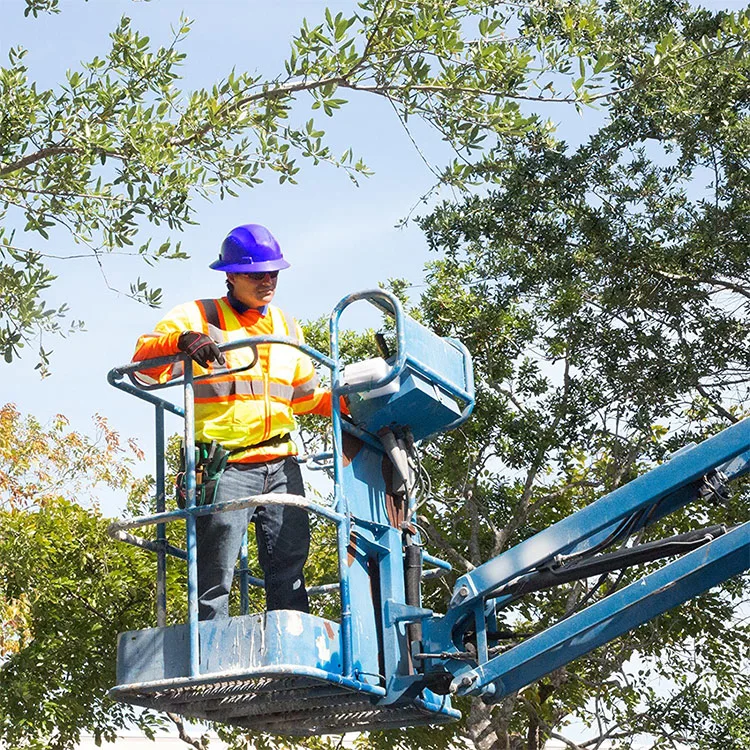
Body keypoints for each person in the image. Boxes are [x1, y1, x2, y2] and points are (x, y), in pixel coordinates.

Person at [132, 224, 335, 619]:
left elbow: (306, 396)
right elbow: (142, 367)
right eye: (256, 273)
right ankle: (210, 662)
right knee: (215, 572)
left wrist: (355, 404)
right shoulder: (199, 315)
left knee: (291, 565)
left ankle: (290, 655)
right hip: (226, 464)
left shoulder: (287, 326)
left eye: (272, 272)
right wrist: (181, 341)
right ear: (230, 275)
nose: (266, 281)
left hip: (281, 462)